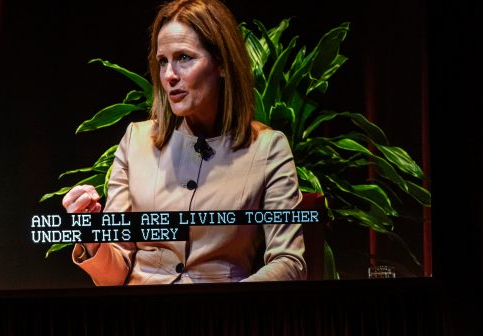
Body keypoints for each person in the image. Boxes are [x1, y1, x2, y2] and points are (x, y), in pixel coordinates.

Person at [62, 0, 306, 285]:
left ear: (222, 65)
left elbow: (289, 263)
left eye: (184, 58)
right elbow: (114, 274)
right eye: (163, 61)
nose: (169, 75)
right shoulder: (135, 142)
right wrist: (91, 237)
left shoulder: (268, 148)